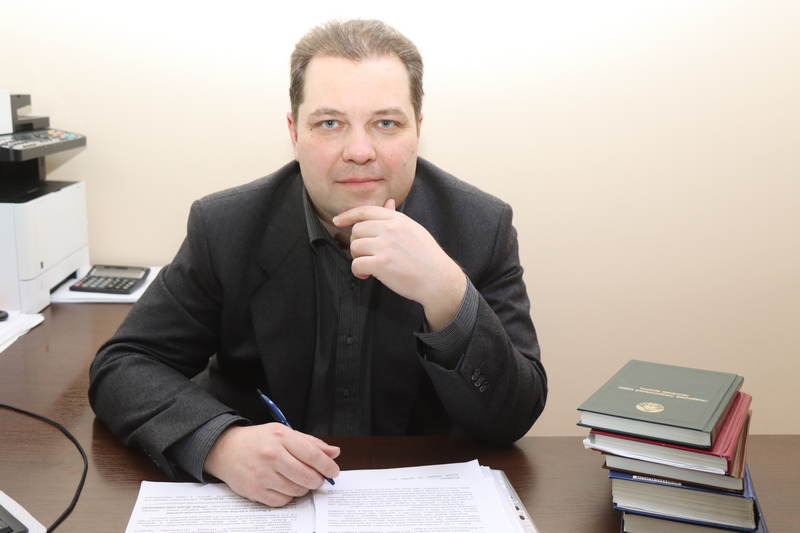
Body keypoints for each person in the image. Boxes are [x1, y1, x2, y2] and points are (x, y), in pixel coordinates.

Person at [89, 18, 547, 507]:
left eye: (386, 123)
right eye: (330, 123)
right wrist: (220, 443)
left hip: (418, 500)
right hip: (262, 506)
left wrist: (447, 292)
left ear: (418, 128)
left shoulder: (481, 227)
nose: (359, 152)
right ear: (294, 132)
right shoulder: (225, 227)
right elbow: (124, 365)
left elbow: (511, 418)